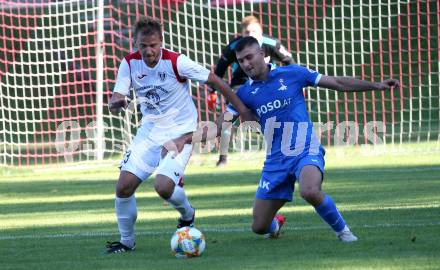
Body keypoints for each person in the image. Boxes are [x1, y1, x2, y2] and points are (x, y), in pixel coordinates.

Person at [168, 36, 399, 242]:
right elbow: (219, 127)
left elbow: (337, 83)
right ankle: (275, 223)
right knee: (259, 227)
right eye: (241, 61)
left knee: (309, 190)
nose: (246, 64)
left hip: (305, 148)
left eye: (249, 57)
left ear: (262, 54)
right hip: (276, 159)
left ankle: (344, 233)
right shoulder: (245, 94)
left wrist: (376, 85)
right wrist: (185, 139)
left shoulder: (293, 73)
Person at [105, 16, 252, 254]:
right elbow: (116, 99)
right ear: (136, 44)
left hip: (181, 131)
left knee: (163, 187)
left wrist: (242, 109)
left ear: (161, 42)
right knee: (123, 187)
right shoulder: (130, 64)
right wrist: (116, 102)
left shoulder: (176, 62)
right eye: (143, 46)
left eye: (153, 45)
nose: (148, 51)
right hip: (150, 131)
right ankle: (126, 242)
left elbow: (215, 80)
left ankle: (187, 214)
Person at [210, 15, 294, 167]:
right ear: (242, 34)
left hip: (265, 85)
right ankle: (222, 158)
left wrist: (291, 82)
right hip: (240, 86)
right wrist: (212, 91)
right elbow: (219, 70)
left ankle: (284, 148)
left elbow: (289, 61)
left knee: (277, 114)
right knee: (228, 119)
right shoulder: (233, 47)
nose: (250, 35)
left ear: (261, 33)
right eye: (247, 32)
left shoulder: (272, 44)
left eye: (254, 31)